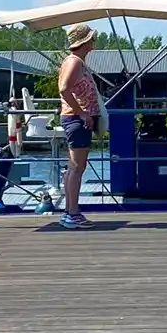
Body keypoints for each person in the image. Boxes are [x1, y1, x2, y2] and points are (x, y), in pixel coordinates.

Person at [57, 24, 102, 229]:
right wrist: (82, 113)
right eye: (92, 38)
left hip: (77, 119)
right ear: (84, 42)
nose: (94, 42)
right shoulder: (74, 62)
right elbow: (64, 89)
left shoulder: (75, 62)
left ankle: (70, 212)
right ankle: (72, 213)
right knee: (77, 167)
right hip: (76, 120)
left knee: (75, 167)